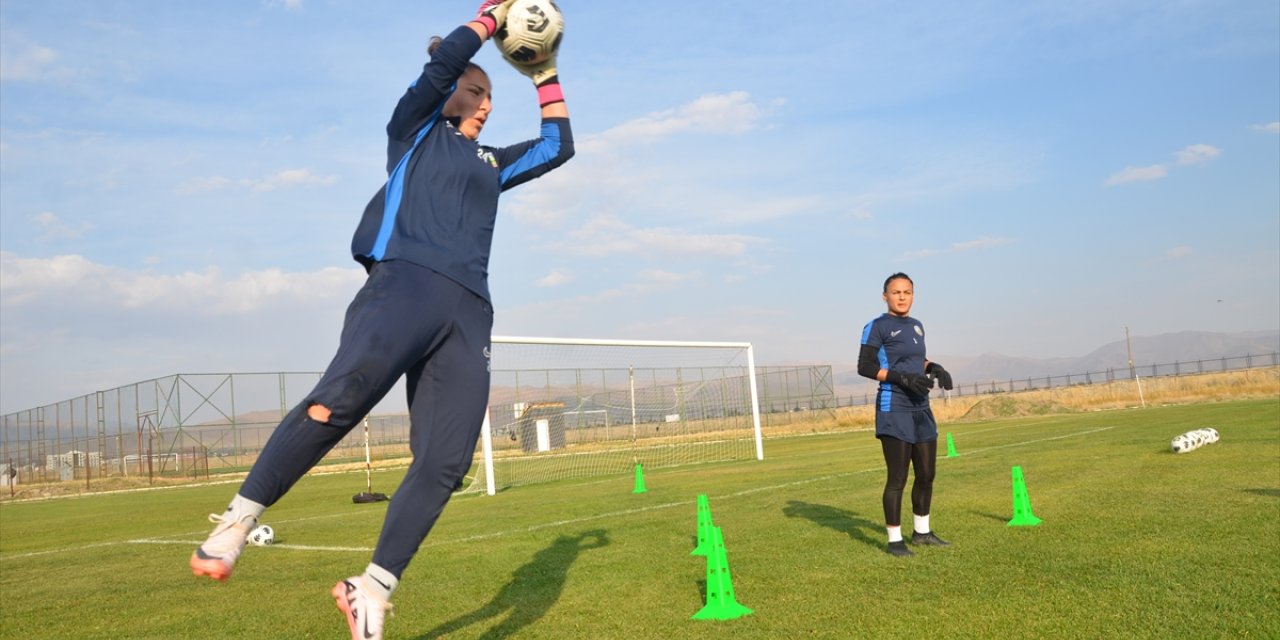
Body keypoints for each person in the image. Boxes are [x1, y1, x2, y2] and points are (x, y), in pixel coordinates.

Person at [189, 2, 574, 638]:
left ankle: (371, 586)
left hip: (470, 312)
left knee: (446, 462)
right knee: (338, 402)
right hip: (404, 286)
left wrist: (546, 72)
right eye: (475, 91)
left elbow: (560, 145)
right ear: (447, 91)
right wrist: (488, 18)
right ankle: (236, 519)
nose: (485, 103)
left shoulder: (492, 165)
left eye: (490, 95)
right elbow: (446, 63)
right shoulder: (414, 131)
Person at [857, 272, 954, 557]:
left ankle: (922, 533)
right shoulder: (876, 326)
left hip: (921, 408)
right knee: (898, 477)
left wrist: (933, 366)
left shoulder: (917, 326)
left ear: (913, 295)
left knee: (927, 474)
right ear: (885, 296)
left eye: (907, 292)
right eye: (896, 292)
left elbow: (914, 360)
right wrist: (901, 379)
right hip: (894, 407)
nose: (902, 297)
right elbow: (865, 366)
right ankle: (894, 541)